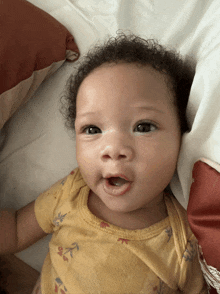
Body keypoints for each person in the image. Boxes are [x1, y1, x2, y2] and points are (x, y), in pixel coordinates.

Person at [0, 33, 208, 294]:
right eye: (92, 129)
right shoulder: (72, 192)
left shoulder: (183, 242)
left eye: (143, 127)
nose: (113, 149)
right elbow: (17, 229)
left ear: (181, 133)